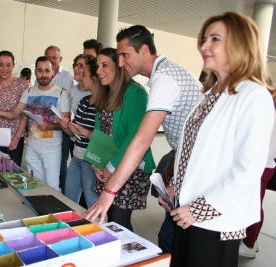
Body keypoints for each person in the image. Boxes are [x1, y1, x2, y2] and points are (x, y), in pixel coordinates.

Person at [157, 12, 274, 267]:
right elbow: (192, 152)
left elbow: (248, 169)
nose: (203, 46)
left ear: (239, 44)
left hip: (215, 218)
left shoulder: (254, 95)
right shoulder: (210, 94)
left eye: (215, 39)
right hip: (188, 211)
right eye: (204, 39)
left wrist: (198, 209)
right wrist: (176, 187)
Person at [84, 25, 201, 252]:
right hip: (185, 160)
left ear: (144, 50)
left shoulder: (164, 78)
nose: (120, 62)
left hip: (196, 161)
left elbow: (140, 139)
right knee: (170, 236)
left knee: (175, 238)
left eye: (124, 55)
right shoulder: (162, 74)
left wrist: (109, 191)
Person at [91, 48, 155, 231]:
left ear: (118, 67)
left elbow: (134, 135)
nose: (99, 71)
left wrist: (111, 167)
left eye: (105, 65)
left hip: (128, 168)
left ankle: (129, 256)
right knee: (110, 217)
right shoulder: (104, 95)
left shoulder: (135, 92)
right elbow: (99, 134)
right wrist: (96, 163)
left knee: (119, 220)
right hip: (107, 165)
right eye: (97, 66)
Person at [0, 56, 70, 191]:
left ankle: (54, 211)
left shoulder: (61, 94)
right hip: (32, 146)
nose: (43, 75)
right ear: (35, 72)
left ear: (53, 71)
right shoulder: (29, 91)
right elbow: (15, 113)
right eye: (40, 71)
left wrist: (51, 126)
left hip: (52, 148)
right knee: (35, 185)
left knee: (52, 187)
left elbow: (66, 124)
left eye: (47, 71)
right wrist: (0, 113)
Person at [58, 58, 99, 208]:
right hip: (77, 157)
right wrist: (65, 125)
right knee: (69, 199)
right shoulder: (84, 101)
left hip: (91, 160)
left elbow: (105, 139)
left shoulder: (105, 105)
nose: (81, 76)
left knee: (92, 203)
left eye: (85, 74)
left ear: (94, 78)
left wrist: (82, 130)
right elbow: (73, 132)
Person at [239, 103, 276, 258]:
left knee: (252, 206)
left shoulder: (267, 107)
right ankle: (252, 239)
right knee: (253, 204)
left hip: (261, 165)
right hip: (263, 163)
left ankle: (249, 245)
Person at [40, 45, 74, 194]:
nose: (51, 60)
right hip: (42, 129)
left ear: (60, 59)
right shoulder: (40, 77)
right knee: (44, 165)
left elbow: (63, 99)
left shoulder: (67, 77)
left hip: (61, 127)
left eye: (54, 57)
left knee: (60, 165)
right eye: (48, 57)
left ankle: (62, 195)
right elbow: (38, 99)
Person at [68, 54, 95, 157]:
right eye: (75, 65)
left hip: (90, 144)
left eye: (80, 65)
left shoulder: (94, 93)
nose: (75, 68)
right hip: (75, 140)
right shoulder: (73, 90)